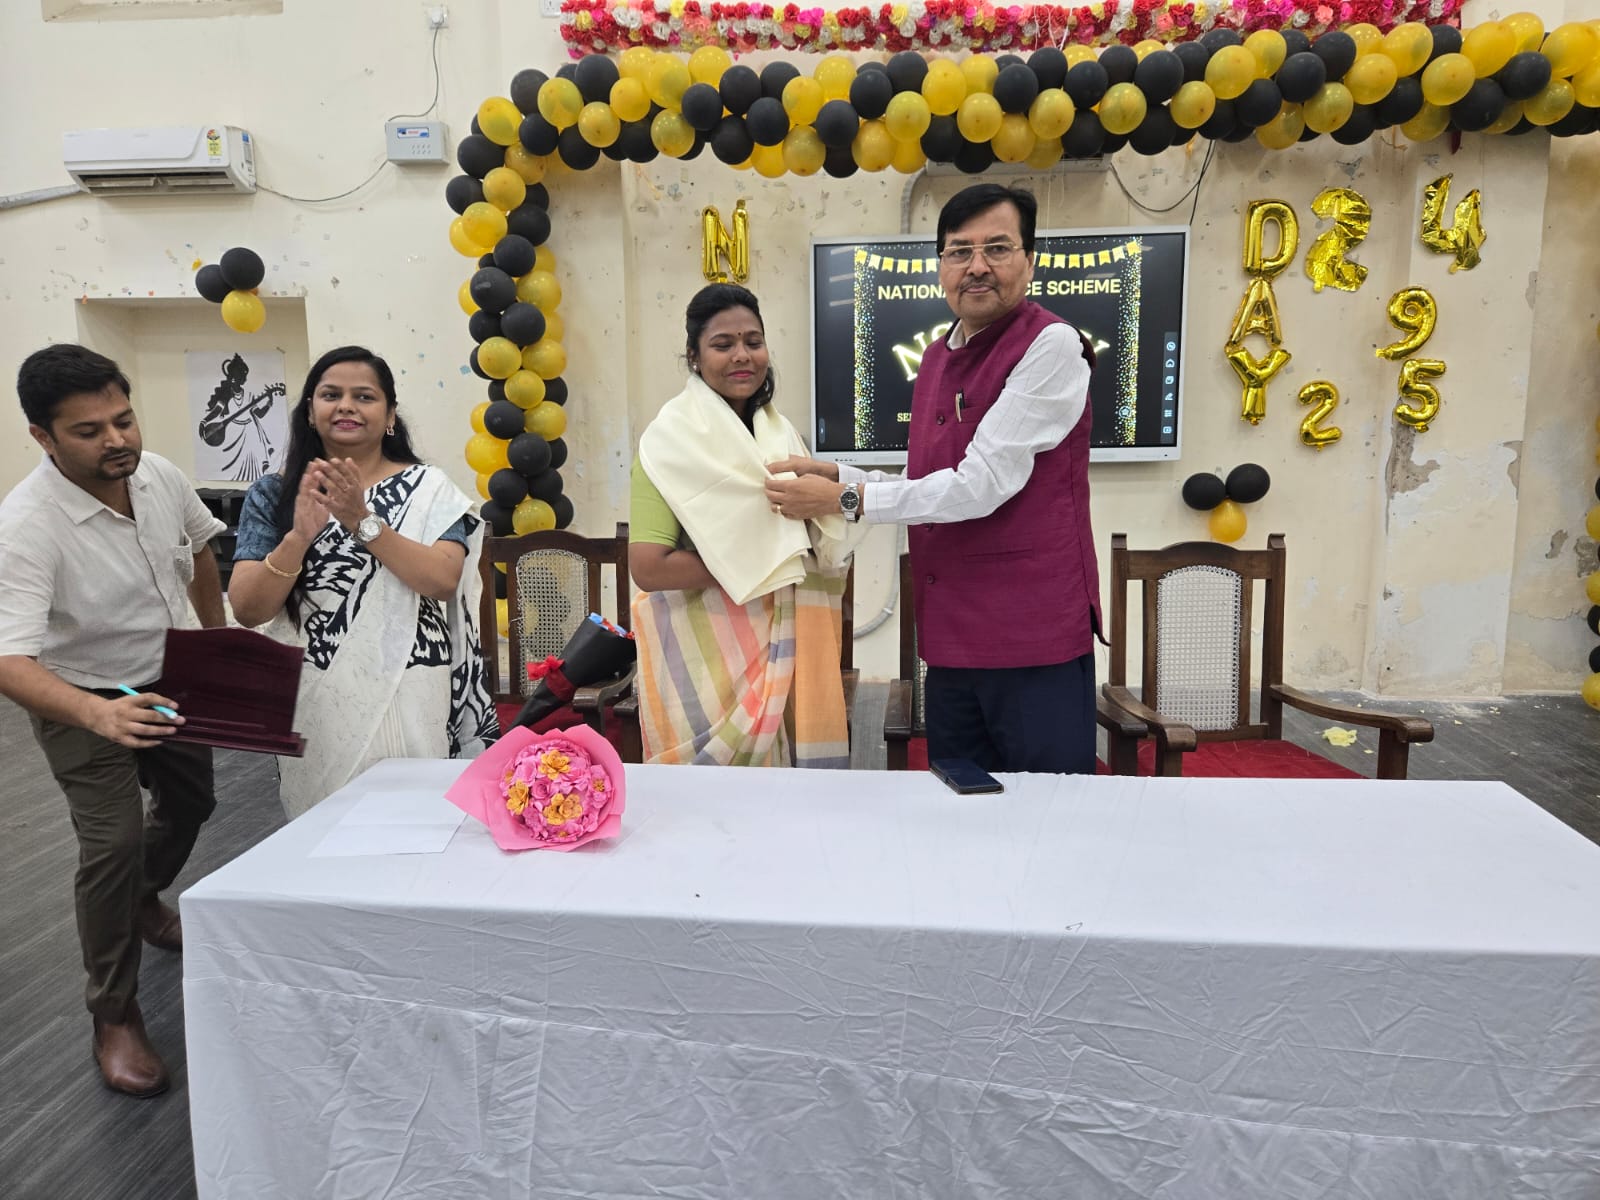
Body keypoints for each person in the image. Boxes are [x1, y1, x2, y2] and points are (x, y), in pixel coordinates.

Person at [765, 183, 1101, 775]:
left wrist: (846, 498)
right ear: (941, 267)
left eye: (997, 248)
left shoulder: (1052, 346)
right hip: (951, 634)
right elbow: (929, 480)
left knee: (1047, 810)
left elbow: (980, 484)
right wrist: (839, 473)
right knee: (959, 802)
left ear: (1029, 260)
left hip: (1031, 636)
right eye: (959, 251)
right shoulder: (937, 356)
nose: (977, 266)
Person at [0, 344, 227, 1097]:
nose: (116, 439)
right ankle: (114, 1012)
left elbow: (201, 550)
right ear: (43, 437)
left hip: (168, 676)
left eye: (123, 420)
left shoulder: (158, 475)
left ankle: (141, 898)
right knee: (112, 843)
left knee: (193, 802)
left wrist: (213, 643)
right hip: (77, 692)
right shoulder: (26, 525)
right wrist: (97, 713)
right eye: (89, 430)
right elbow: (9, 661)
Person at [229, 346, 497, 819]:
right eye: (331, 394)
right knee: (324, 822)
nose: (346, 406)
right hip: (317, 686)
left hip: (411, 680)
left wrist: (360, 519)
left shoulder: (430, 487)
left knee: (418, 820)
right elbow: (249, 608)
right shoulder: (275, 493)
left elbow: (441, 579)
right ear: (309, 411)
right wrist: (298, 537)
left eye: (364, 396)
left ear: (390, 415)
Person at [631, 284, 860, 767]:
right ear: (694, 357)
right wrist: (760, 557)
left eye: (753, 342)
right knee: (708, 804)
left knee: (789, 802)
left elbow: (813, 541)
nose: (742, 356)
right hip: (705, 657)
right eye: (723, 344)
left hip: (790, 644)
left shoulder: (783, 436)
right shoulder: (667, 443)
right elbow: (649, 568)